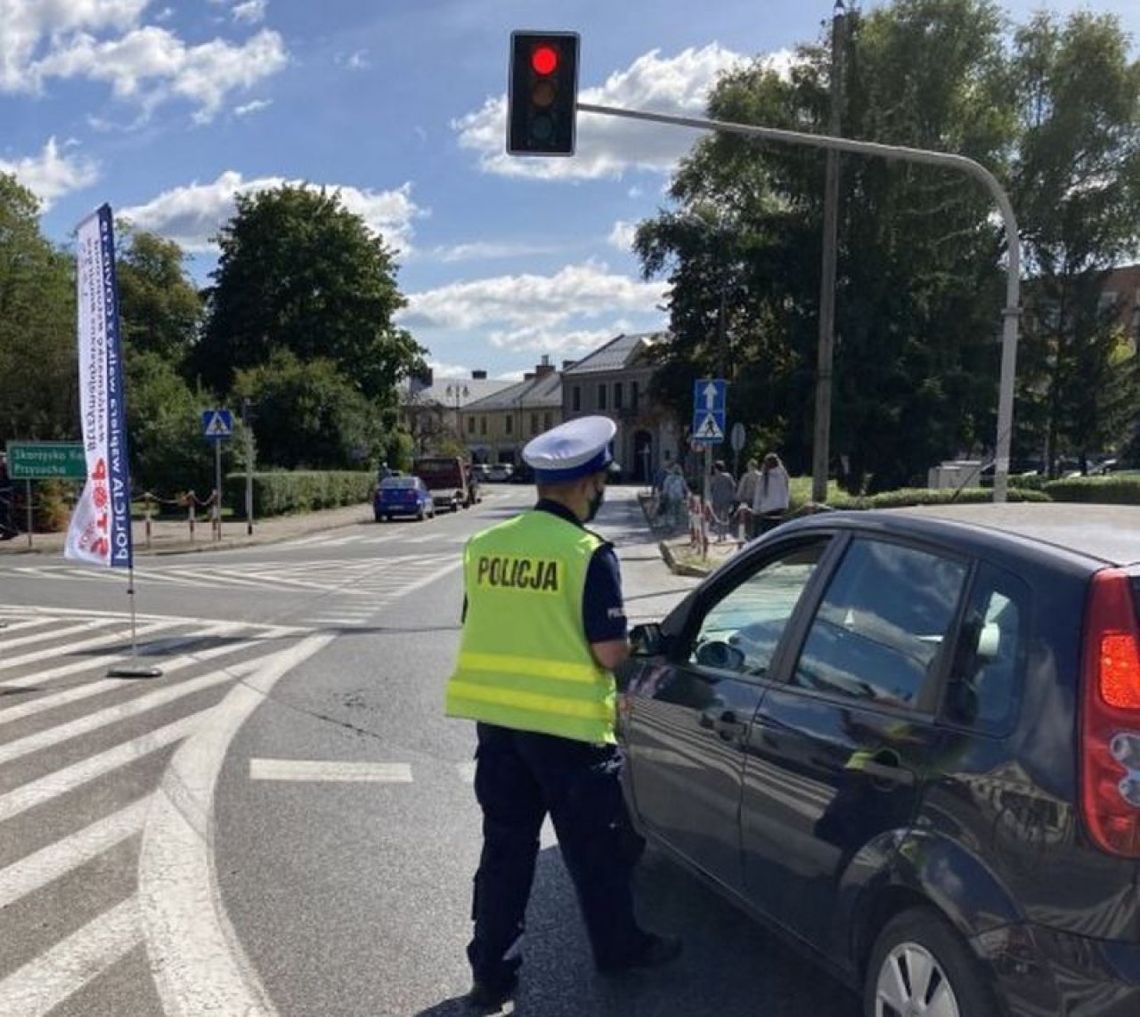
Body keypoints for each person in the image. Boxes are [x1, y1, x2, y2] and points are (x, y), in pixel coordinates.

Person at [446, 415, 681, 1012]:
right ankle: (618, 950)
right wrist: (634, 651)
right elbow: (607, 652)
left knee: (505, 854)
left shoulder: (485, 546)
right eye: (601, 480)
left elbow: (477, 623)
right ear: (590, 484)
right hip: (572, 737)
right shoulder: (587, 554)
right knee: (595, 855)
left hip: (499, 731)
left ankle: (491, 974)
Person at [753, 452, 791, 532]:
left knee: (766, 534)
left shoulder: (764, 477)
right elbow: (786, 492)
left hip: (766, 510)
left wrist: (755, 510)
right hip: (780, 509)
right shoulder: (784, 475)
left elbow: (758, 494)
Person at [708, 460, 736, 543]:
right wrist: (732, 496)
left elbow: (711, 489)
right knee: (725, 517)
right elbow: (733, 486)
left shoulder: (714, 478)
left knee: (718, 518)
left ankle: (720, 536)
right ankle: (724, 535)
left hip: (717, 500)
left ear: (716, 468)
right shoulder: (728, 476)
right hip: (726, 500)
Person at [735, 459, 762, 540]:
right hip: (758, 500)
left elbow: (741, 488)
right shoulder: (761, 475)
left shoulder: (746, 476)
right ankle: (756, 535)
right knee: (756, 519)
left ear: (750, 466)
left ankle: (747, 535)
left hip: (747, 499)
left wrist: (738, 498)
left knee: (746, 519)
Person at [0, 452, 14, 540]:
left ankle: (9, 533)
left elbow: (11, 486)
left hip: (6, 497)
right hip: (2, 497)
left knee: (5, 515)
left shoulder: (8, 471)